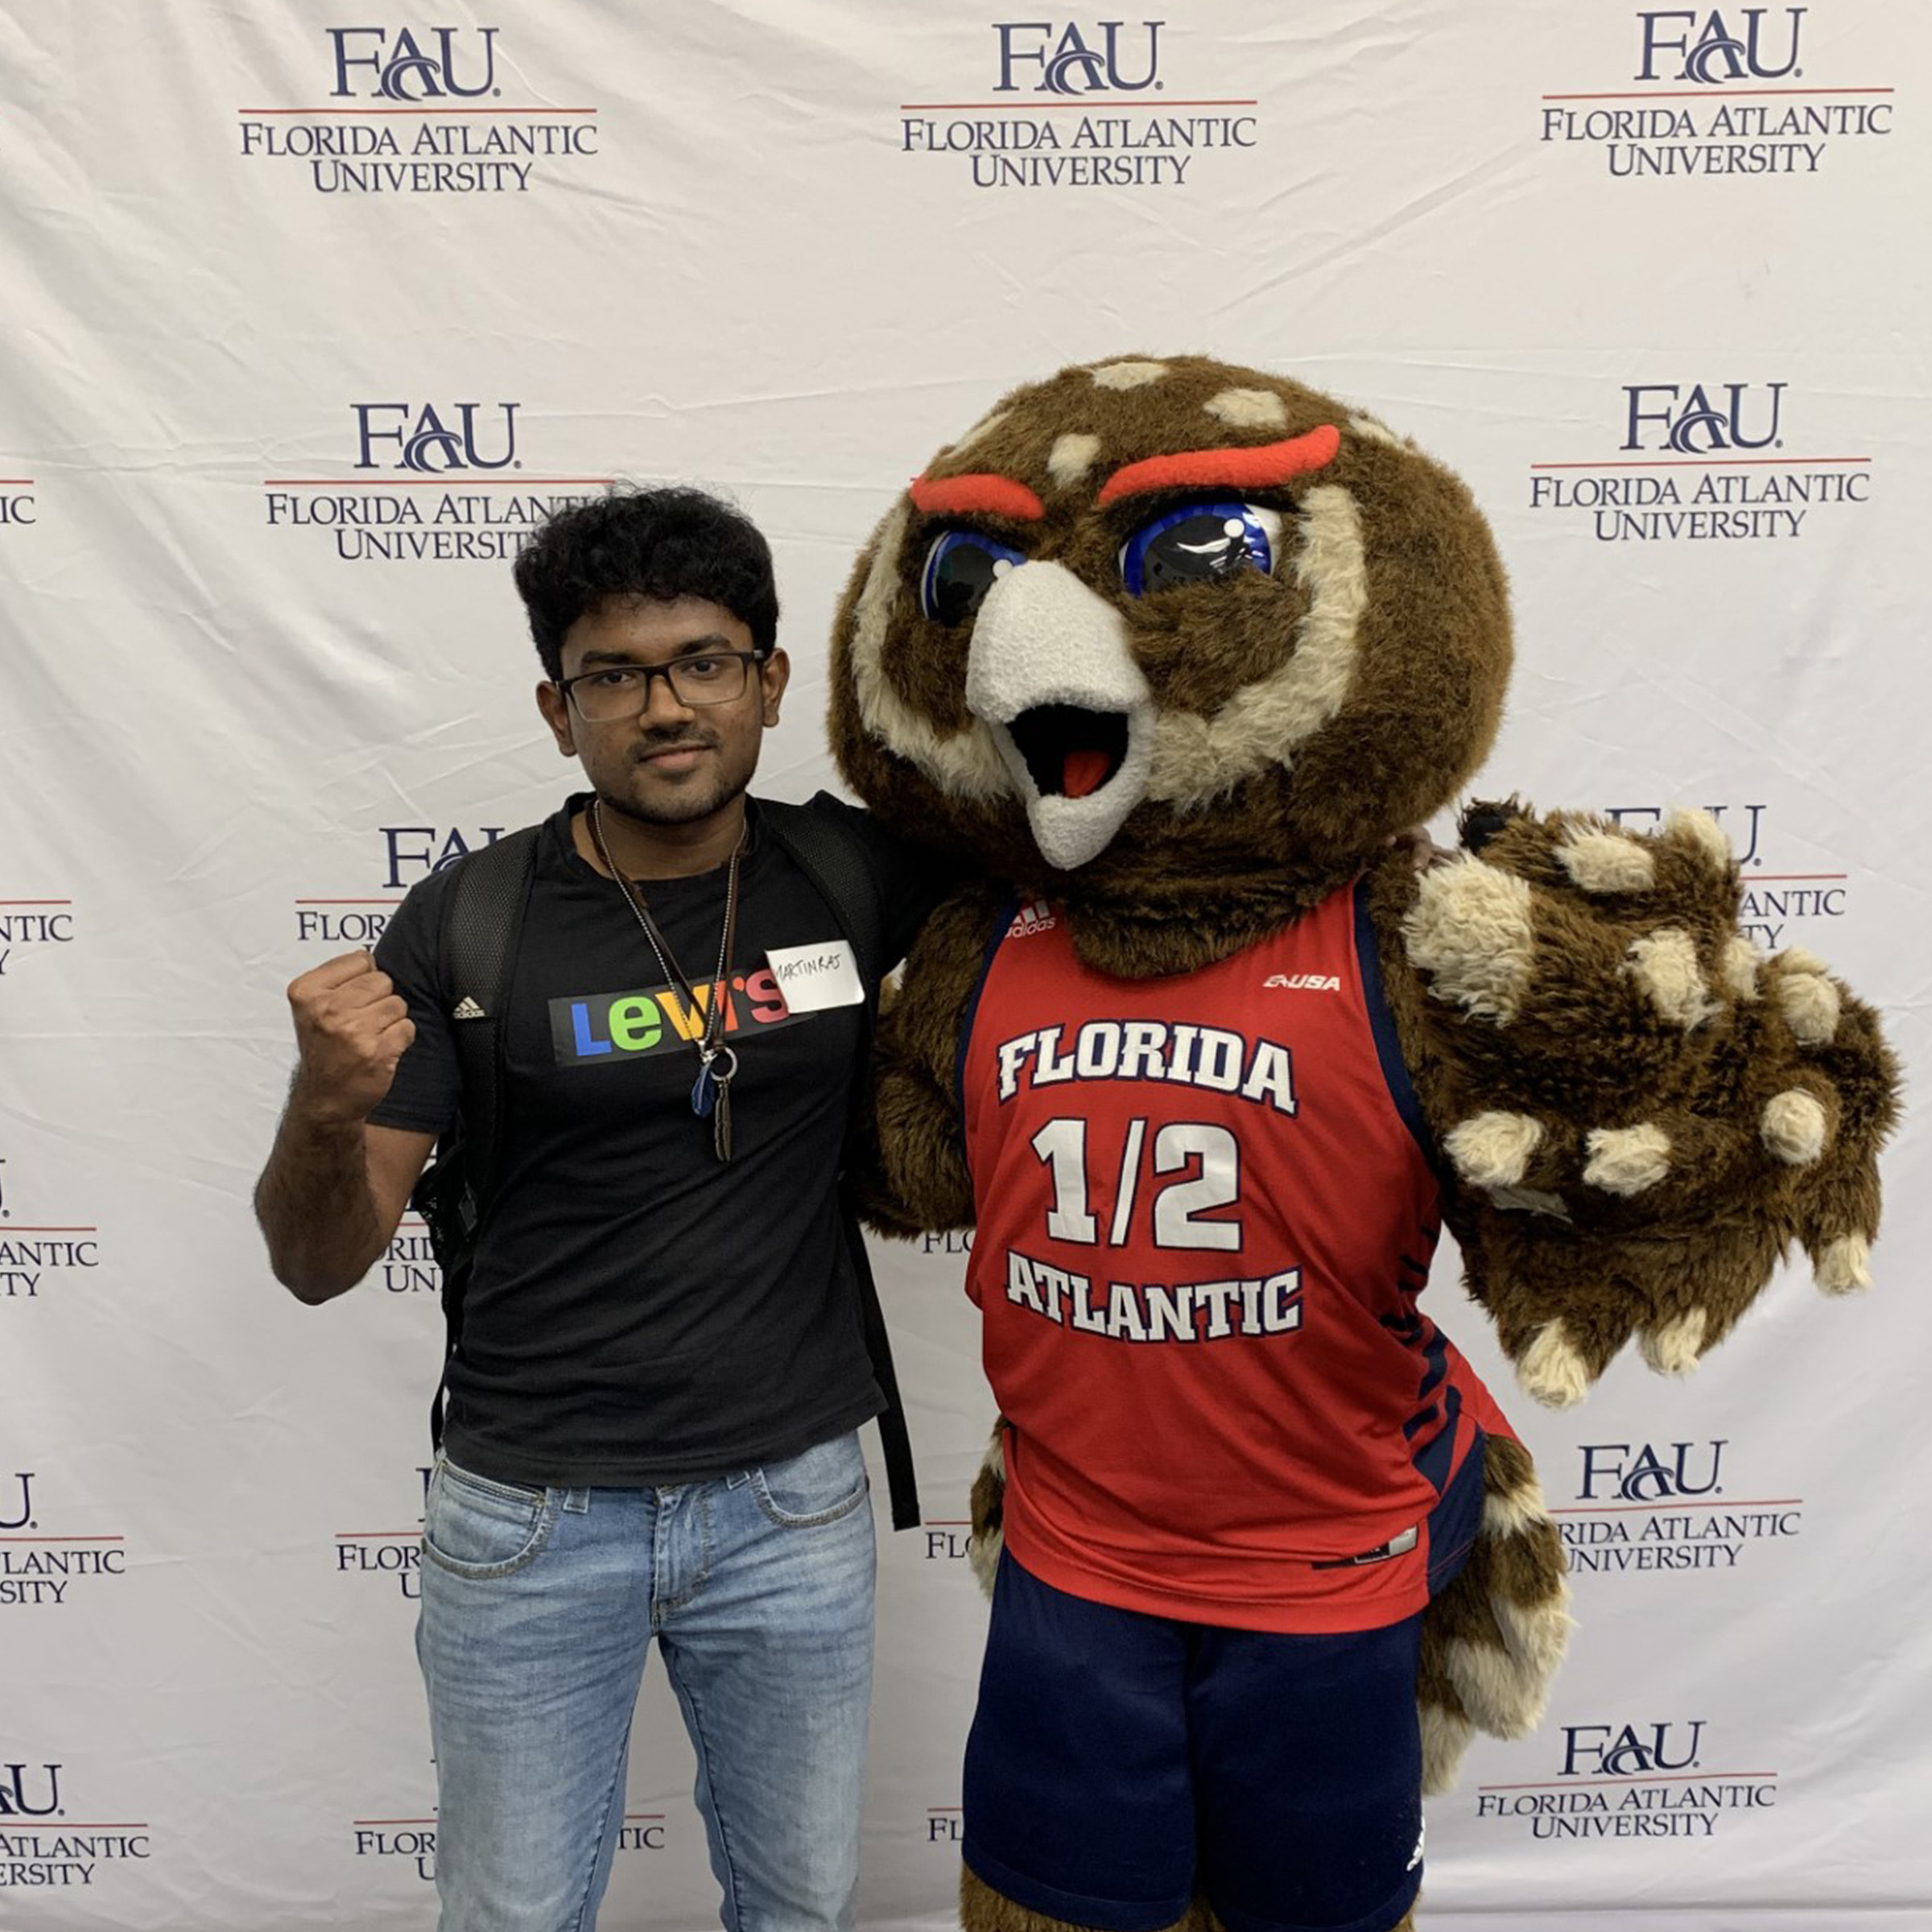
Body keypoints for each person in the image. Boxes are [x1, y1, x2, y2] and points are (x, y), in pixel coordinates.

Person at [254, 487, 942, 1932]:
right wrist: (324, 1102)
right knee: (512, 1917)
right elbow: (320, 1262)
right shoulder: (468, 922)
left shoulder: (853, 874)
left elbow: (1099, 876)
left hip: (793, 1501)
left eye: (702, 662)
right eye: (613, 676)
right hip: (530, 1517)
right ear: (560, 713)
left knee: (803, 1907)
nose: (665, 706)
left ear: (768, 682)